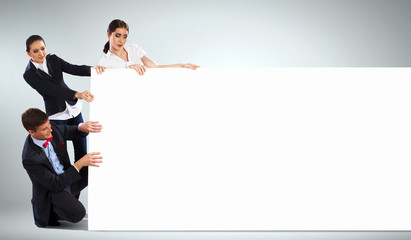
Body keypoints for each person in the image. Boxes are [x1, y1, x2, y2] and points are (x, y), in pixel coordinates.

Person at [23, 35, 105, 165]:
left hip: (73, 110)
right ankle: (67, 185)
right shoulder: (29, 75)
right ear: (28, 53)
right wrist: (77, 94)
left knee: (82, 151)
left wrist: (92, 70)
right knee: (62, 156)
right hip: (56, 116)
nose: (41, 53)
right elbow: (50, 89)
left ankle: (84, 183)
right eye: (35, 51)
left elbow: (72, 68)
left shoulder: (53, 59)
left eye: (43, 48)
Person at [21, 108, 103, 228]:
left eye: (49, 125)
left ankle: (67, 198)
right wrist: (79, 164)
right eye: (44, 129)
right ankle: (54, 212)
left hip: (66, 178)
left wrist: (82, 127)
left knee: (96, 165)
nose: (50, 130)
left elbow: (69, 130)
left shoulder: (50, 128)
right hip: (53, 191)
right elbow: (55, 184)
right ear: (31, 132)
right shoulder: (29, 158)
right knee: (78, 214)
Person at [99, 19, 199, 75]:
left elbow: (156, 67)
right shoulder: (105, 62)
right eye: (117, 35)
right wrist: (129, 71)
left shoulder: (134, 49)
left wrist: (182, 66)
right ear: (109, 35)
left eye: (125, 36)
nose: (121, 40)